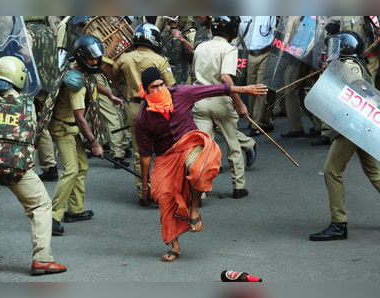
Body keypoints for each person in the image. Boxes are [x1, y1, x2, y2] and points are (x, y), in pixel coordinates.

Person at [136, 67, 267, 261]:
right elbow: (145, 155)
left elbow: (216, 89)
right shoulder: (143, 118)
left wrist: (245, 89)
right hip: (165, 156)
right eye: (154, 87)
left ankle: (194, 208)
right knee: (164, 197)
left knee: (200, 168)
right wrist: (145, 185)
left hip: (190, 143)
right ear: (145, 91)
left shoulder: (180, 93)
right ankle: (174, 246)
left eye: (161, 84)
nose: (159, 89)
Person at [0, 56, 66, 275]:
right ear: (19, 77)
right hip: (17, 168)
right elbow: (32, 137)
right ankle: (42, 260)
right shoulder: (27, 104)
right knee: (40, 206)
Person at [44, 35, 123, 235]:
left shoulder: (81, 71)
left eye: (97, 58)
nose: (95, 62)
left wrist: (110, 95)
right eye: (91, 59)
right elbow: (80, 117)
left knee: (82, 166)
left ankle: (75, 210)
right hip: (64, 129)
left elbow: (93, 84)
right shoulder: (75, 83)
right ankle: (52, 217)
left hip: (72, 128)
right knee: (71, 170)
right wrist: (95, 143)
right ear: (81, 57)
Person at [309, 31, 380, 241]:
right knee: (375, 174)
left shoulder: (349, 64)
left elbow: (357, 86)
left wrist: (335, 74)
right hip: (359, 125)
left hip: (351, 125)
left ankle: (339, 224)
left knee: (331, 171)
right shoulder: (353, 62)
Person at [113, 23, 176, 206]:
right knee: (163, 150)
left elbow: (116, 78)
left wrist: (128, 90)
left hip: (135, 108)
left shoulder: (125, 59)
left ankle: (143, 192)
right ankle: (161, 189)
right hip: (158, 108)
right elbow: (171, 86)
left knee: (141, 151)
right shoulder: (159, 60)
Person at [192, 16, 255, 199]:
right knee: (233, 145)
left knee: (203, 148)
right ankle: (239, 187)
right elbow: (226, 78)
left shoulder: (200, 47)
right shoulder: (229, 49)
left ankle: (200, 191)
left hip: (200, 100)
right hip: (220, 100)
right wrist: (240, 103)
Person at [25, 16, 60, 182]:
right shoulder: (49, 31)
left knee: (29, 125)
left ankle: (28, 168)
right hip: (49, 83)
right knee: (42, 124)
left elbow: (24, 57)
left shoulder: (27, 32)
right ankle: (50, 166)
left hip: (32, 84)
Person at [240, 16, 276, 137]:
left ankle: (256, 123)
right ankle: (265, 121)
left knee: (260, 89)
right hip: (250, 54)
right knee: (251, 89)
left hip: (265, 53)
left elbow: (275, 32)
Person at [161, 16, 196, 85]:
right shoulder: (164, 34)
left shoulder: (189, 33)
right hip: (167, 75)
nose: (172, 20)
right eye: (169, 17)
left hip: (183, 77)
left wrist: (182, 39)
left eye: (174, 17)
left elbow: (195, 51)